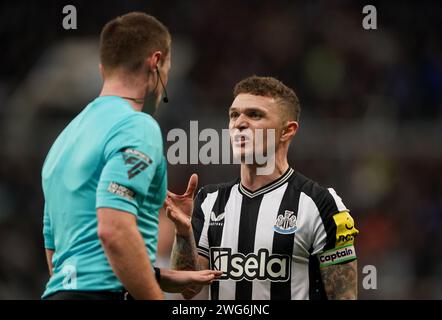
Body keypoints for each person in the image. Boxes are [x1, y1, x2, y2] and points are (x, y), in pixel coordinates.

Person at [41, 12, 220, 300]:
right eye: (169, 67)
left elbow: (58, 256)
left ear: (103, 68)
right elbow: (113, 230)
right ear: (156, 62)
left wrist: (162, 277)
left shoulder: (63, 140)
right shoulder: (137, 126)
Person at [165, 75, 359, 300]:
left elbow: (344, 297)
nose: (239, 123)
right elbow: (187, 289)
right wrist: (183, 232)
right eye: (234, 115)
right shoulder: (208, 201)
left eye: (255, 115)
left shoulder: (320, 204)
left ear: (287, 131)